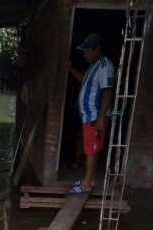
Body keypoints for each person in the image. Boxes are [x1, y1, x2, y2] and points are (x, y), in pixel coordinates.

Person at [65, 33, 114, 194]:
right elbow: (82, 79)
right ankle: (90, 179)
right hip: (89, 116)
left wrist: (100, 118)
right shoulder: (94, 65)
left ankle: (86, 184)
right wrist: (71, 68)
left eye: (87, 51)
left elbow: (108, 92)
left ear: (97, 49)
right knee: (92, 148)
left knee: (91, 150)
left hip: (95, 116)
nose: (85, 54)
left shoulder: (105, 66)